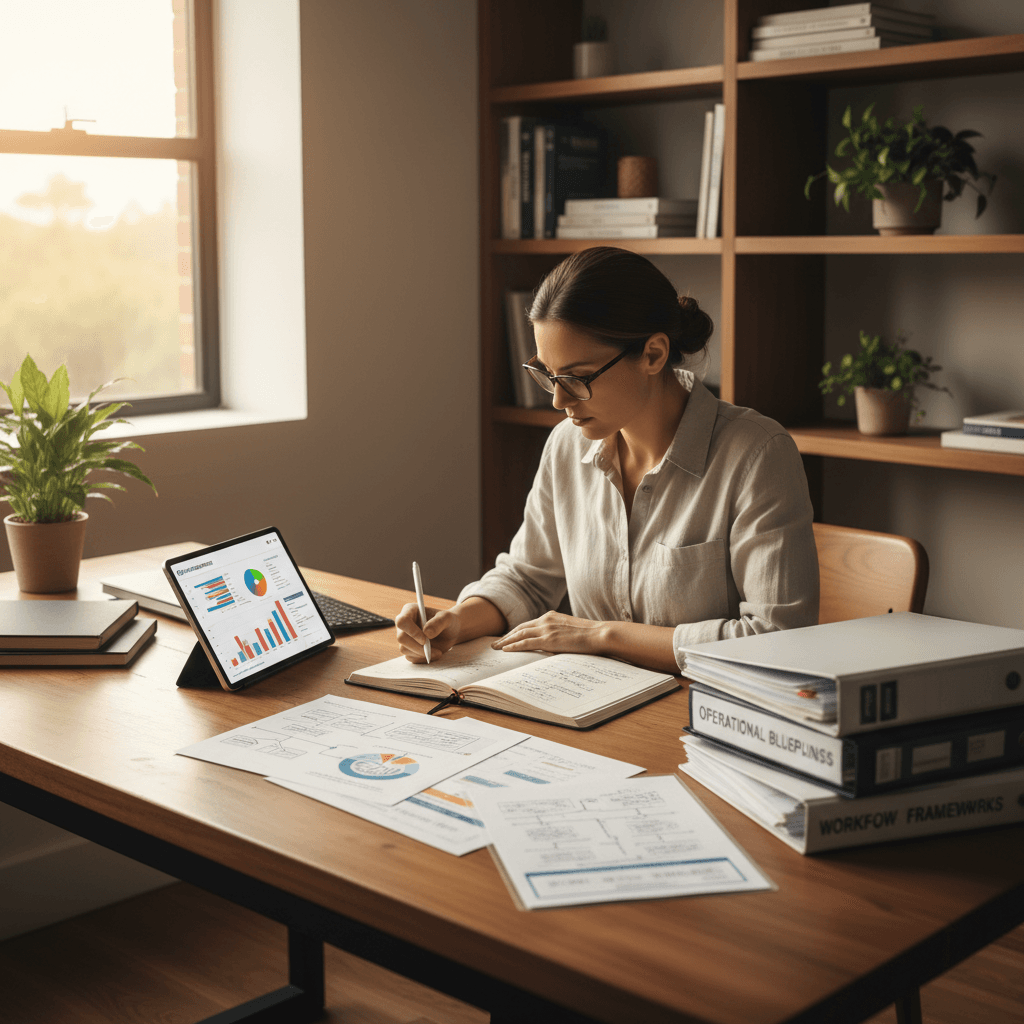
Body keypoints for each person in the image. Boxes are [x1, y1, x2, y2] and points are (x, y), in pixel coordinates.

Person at [396, 246, 818, 674]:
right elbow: (527, 576)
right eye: (548, 375)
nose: (559, 400)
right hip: (592, 705)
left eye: (577, 378)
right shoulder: (567, 445)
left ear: (653, 354)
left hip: (706, 716)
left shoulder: (757, 455)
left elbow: (776, 637)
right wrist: (456, 620)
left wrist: (599, 635)